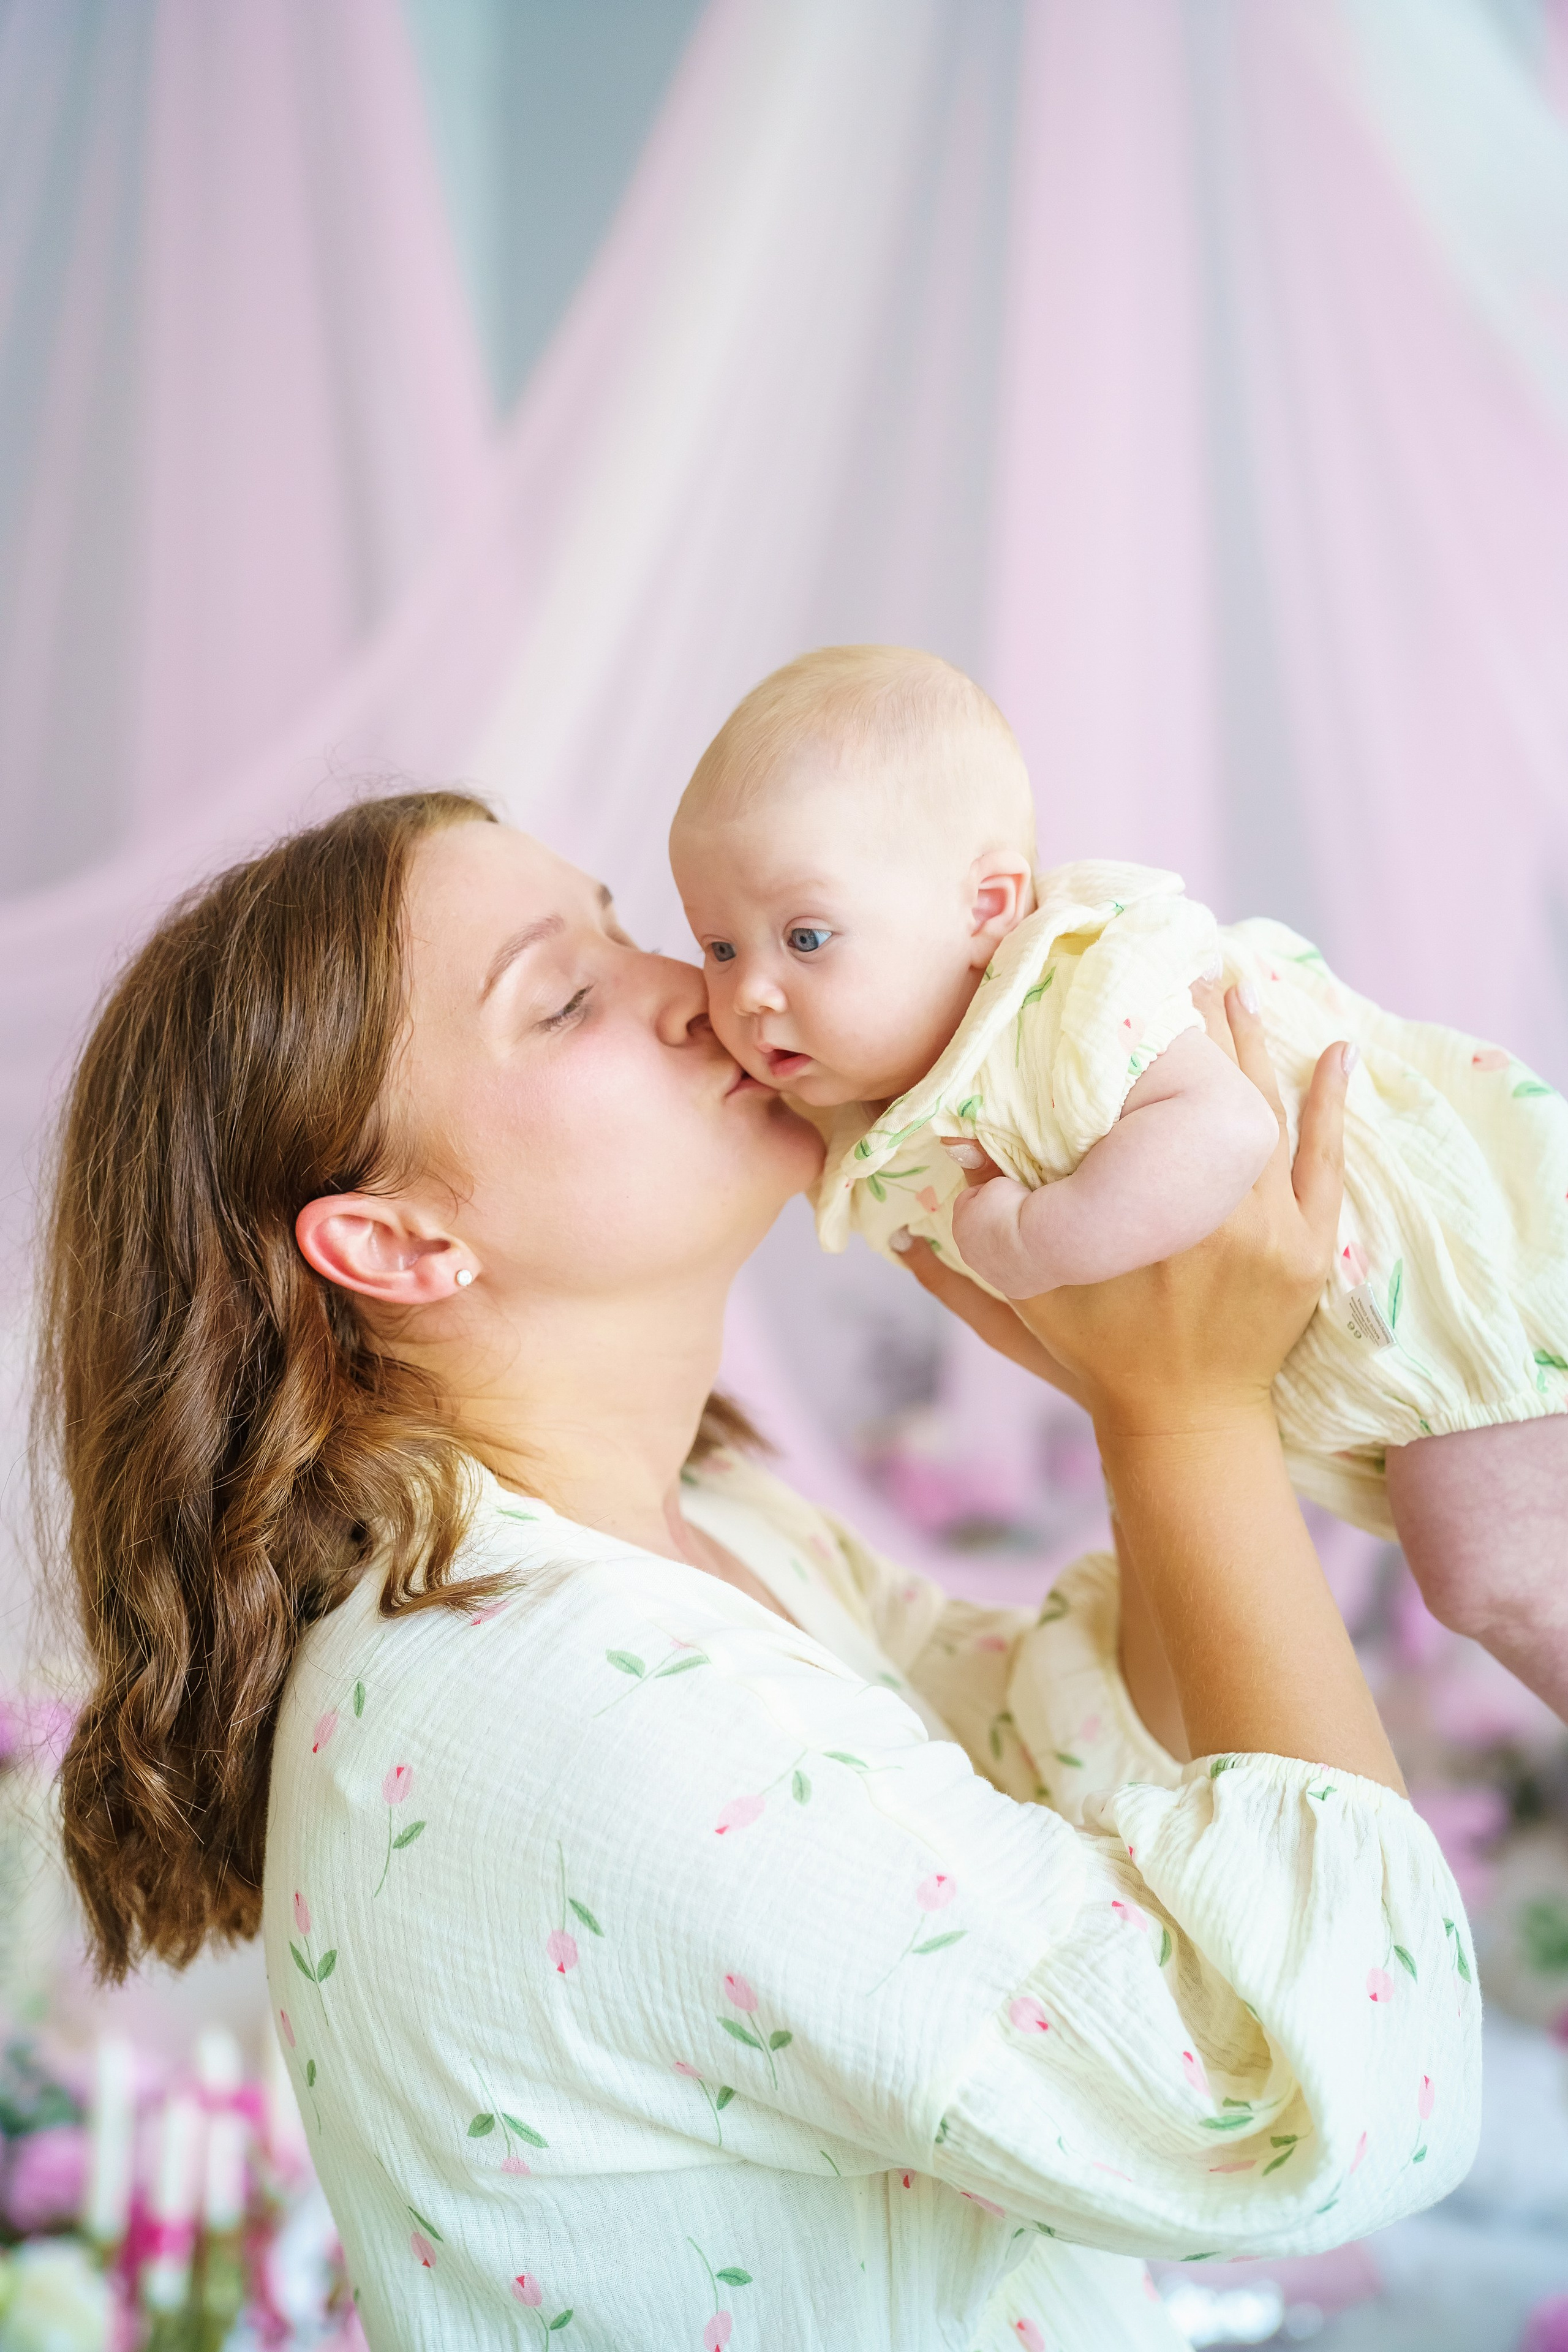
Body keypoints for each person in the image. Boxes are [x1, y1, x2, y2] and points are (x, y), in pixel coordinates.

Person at [43, 790, 1477, 2352]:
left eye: (621, 924)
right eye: (568, 994)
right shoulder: (560, 1706)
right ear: (395, 1248)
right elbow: (1314, 2105)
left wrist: (1148, 1395)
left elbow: (1052, 1768)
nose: (700, 989)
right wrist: (1189, 1411)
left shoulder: (707, 1524)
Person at [669, 642, 1568, 1716]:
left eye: (805, 937)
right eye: (718, 948)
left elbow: (1225, 1127)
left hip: (1470, 1298)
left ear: (989, 908)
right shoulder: (898, 1082)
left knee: (1485, 1566)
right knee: (1478, 1566)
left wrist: (1038, 1238)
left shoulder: (1075, 991)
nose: (751, 995)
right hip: (1370, 1382)